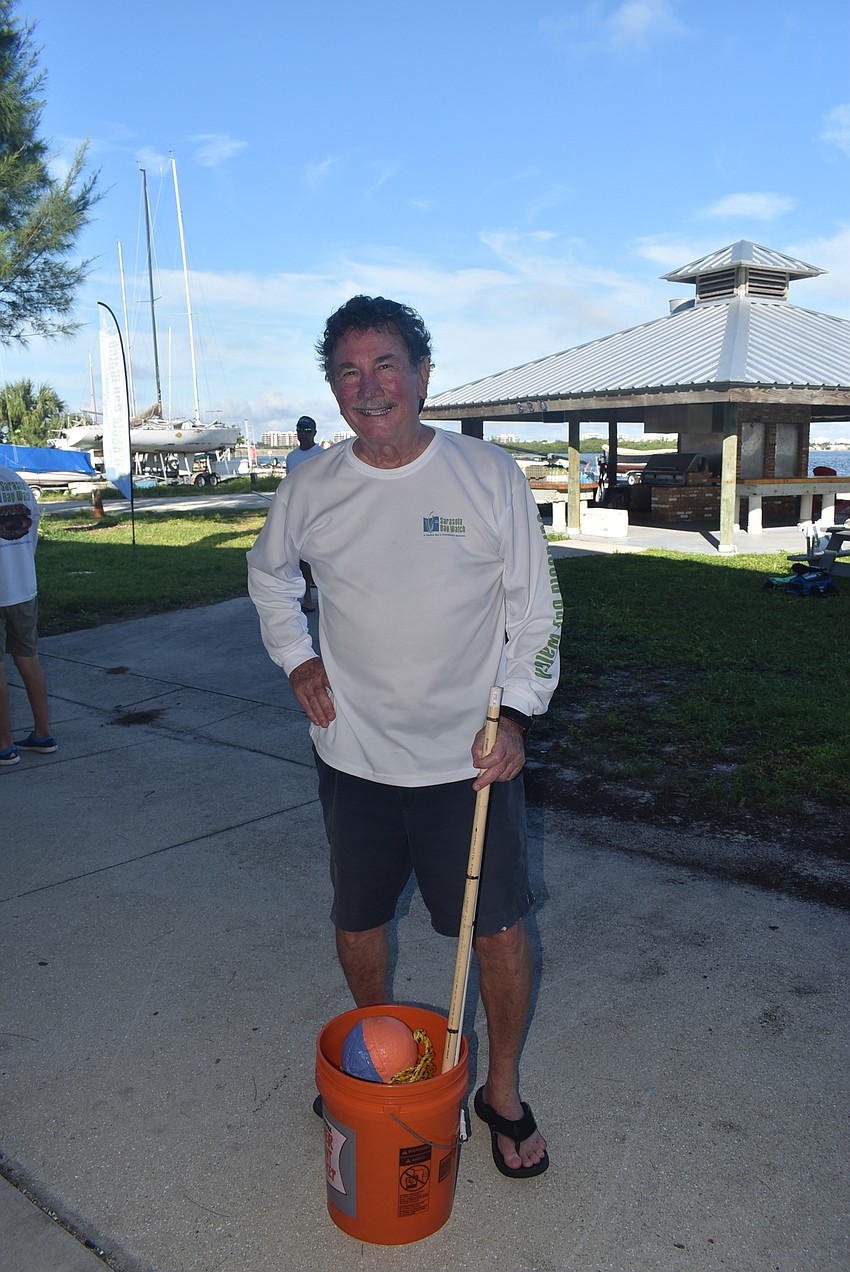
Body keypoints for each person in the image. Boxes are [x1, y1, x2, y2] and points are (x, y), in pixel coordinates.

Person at [247, 296, 561, 1178]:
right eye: (348, 371)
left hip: (469, 762)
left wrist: (519, 711)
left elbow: (536, 610)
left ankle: (500, 1092)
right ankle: (376, 1058)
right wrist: (296, 659)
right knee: (358, 917)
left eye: (385, 364)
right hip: (354, 756)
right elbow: (269, 578)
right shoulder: (310, 484)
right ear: (335, 392)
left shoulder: (488, 475)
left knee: (496, 932)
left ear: (423, 373)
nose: (369, 386)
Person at [0, 462, 57, 766]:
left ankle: (4, 745)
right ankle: (43, 733)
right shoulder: (16, 480)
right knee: (29, 659)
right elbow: (32, 526)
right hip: (23, 586)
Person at [284, 416, 323, 611]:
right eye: (300, 430)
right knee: (302, 559)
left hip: (319, 514)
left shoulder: (323, 454)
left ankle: (327, 599)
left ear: (315, 433)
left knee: (322, 558)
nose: (303, 434)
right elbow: (287, 486)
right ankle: (307, 598)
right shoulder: (291, 457)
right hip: (298, 514)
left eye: (307, 430)